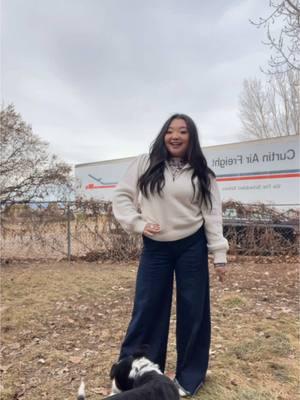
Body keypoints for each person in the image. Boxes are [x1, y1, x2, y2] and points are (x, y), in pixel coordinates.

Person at [112, 113, 229, 397]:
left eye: (183, 131)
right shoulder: (145, 163)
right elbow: (122, 197)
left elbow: (212, 215)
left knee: (194, 312)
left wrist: (219, 254)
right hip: (156, 247)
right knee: (147, 309)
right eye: (170, 131)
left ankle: (190, 377)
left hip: (192, 246)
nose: (175, 136)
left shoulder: (203, 174)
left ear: (192, 138)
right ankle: (135, 373)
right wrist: (138, 224)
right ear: (163, 135)